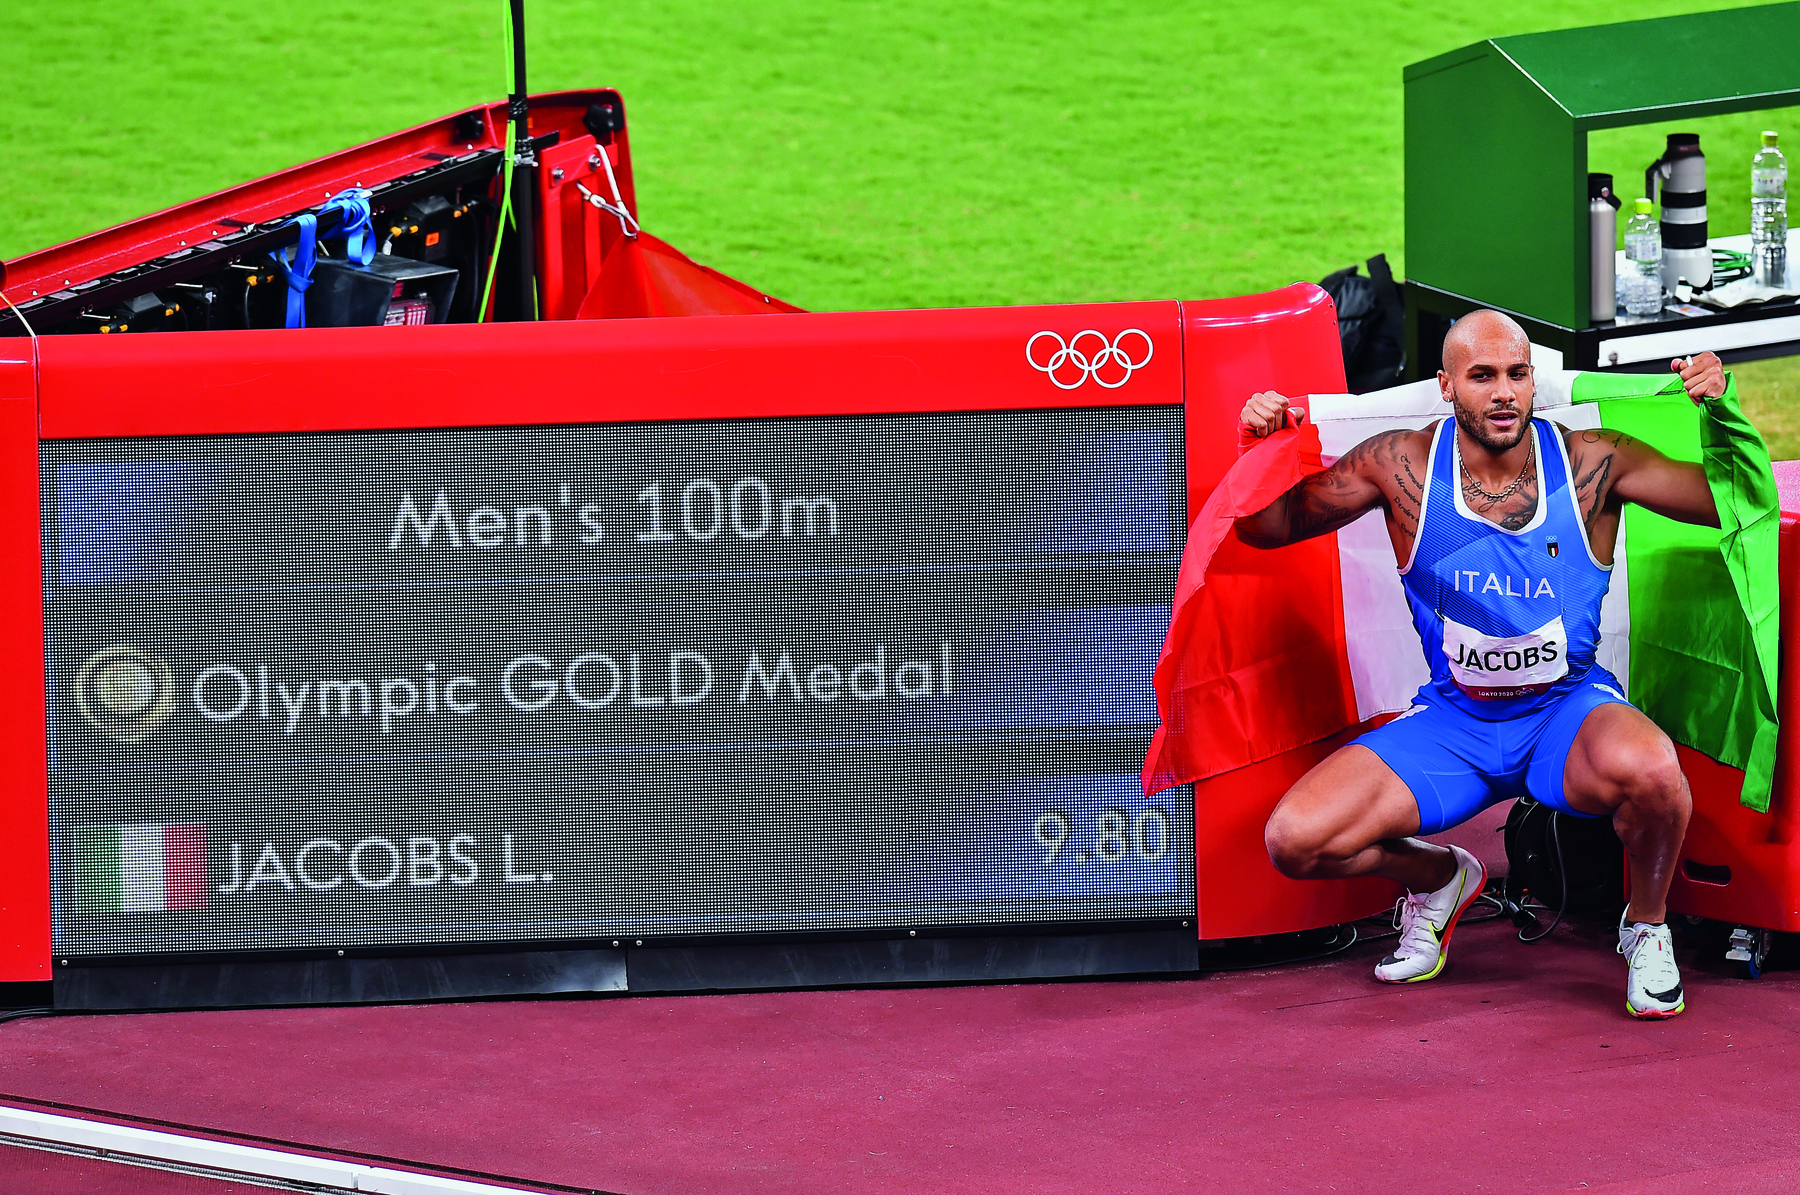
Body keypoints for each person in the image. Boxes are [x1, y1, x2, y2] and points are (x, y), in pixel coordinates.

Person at [1236, 308, 1724, 1020]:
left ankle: (1646, 926)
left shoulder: (1595, 461)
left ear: (1535, 382)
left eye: (1518, 374)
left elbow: (1728, 501)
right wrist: (1255, 439)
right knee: (1296, 838)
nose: (1504, 391)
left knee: (1656, 774)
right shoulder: (1398, 464)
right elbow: (1264, 526)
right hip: (1456, 725)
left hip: (1565, 713)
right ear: (1446, 386)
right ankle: (1441, 876)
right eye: (1484, 375)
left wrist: (1719, 409)